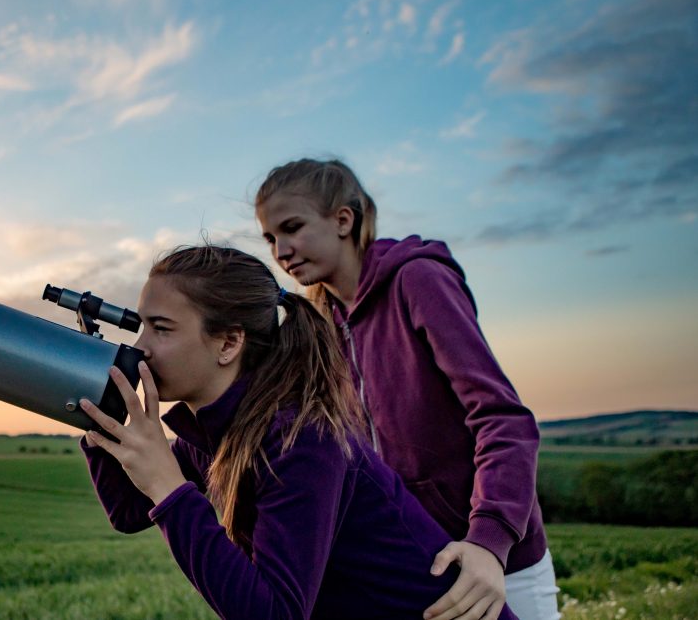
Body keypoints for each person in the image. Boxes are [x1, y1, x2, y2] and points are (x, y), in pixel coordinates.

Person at [79, 245, 517, 620]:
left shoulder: (299, 438)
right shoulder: (219, 431)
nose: (140, 346)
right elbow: (129, 511)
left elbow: (276, 613)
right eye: (141, 326)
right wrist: (97, 410)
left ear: (229, 343)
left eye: (161, 328)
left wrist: (169, 486)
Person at [255, 158, 559, 620]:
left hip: (495, 563)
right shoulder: (318, 326)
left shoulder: (418, 280)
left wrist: (489, 541)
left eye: (291, 227)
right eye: (270, 238)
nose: (281, 250)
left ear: (343, 219)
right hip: (412, 568)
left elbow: (503, 419)